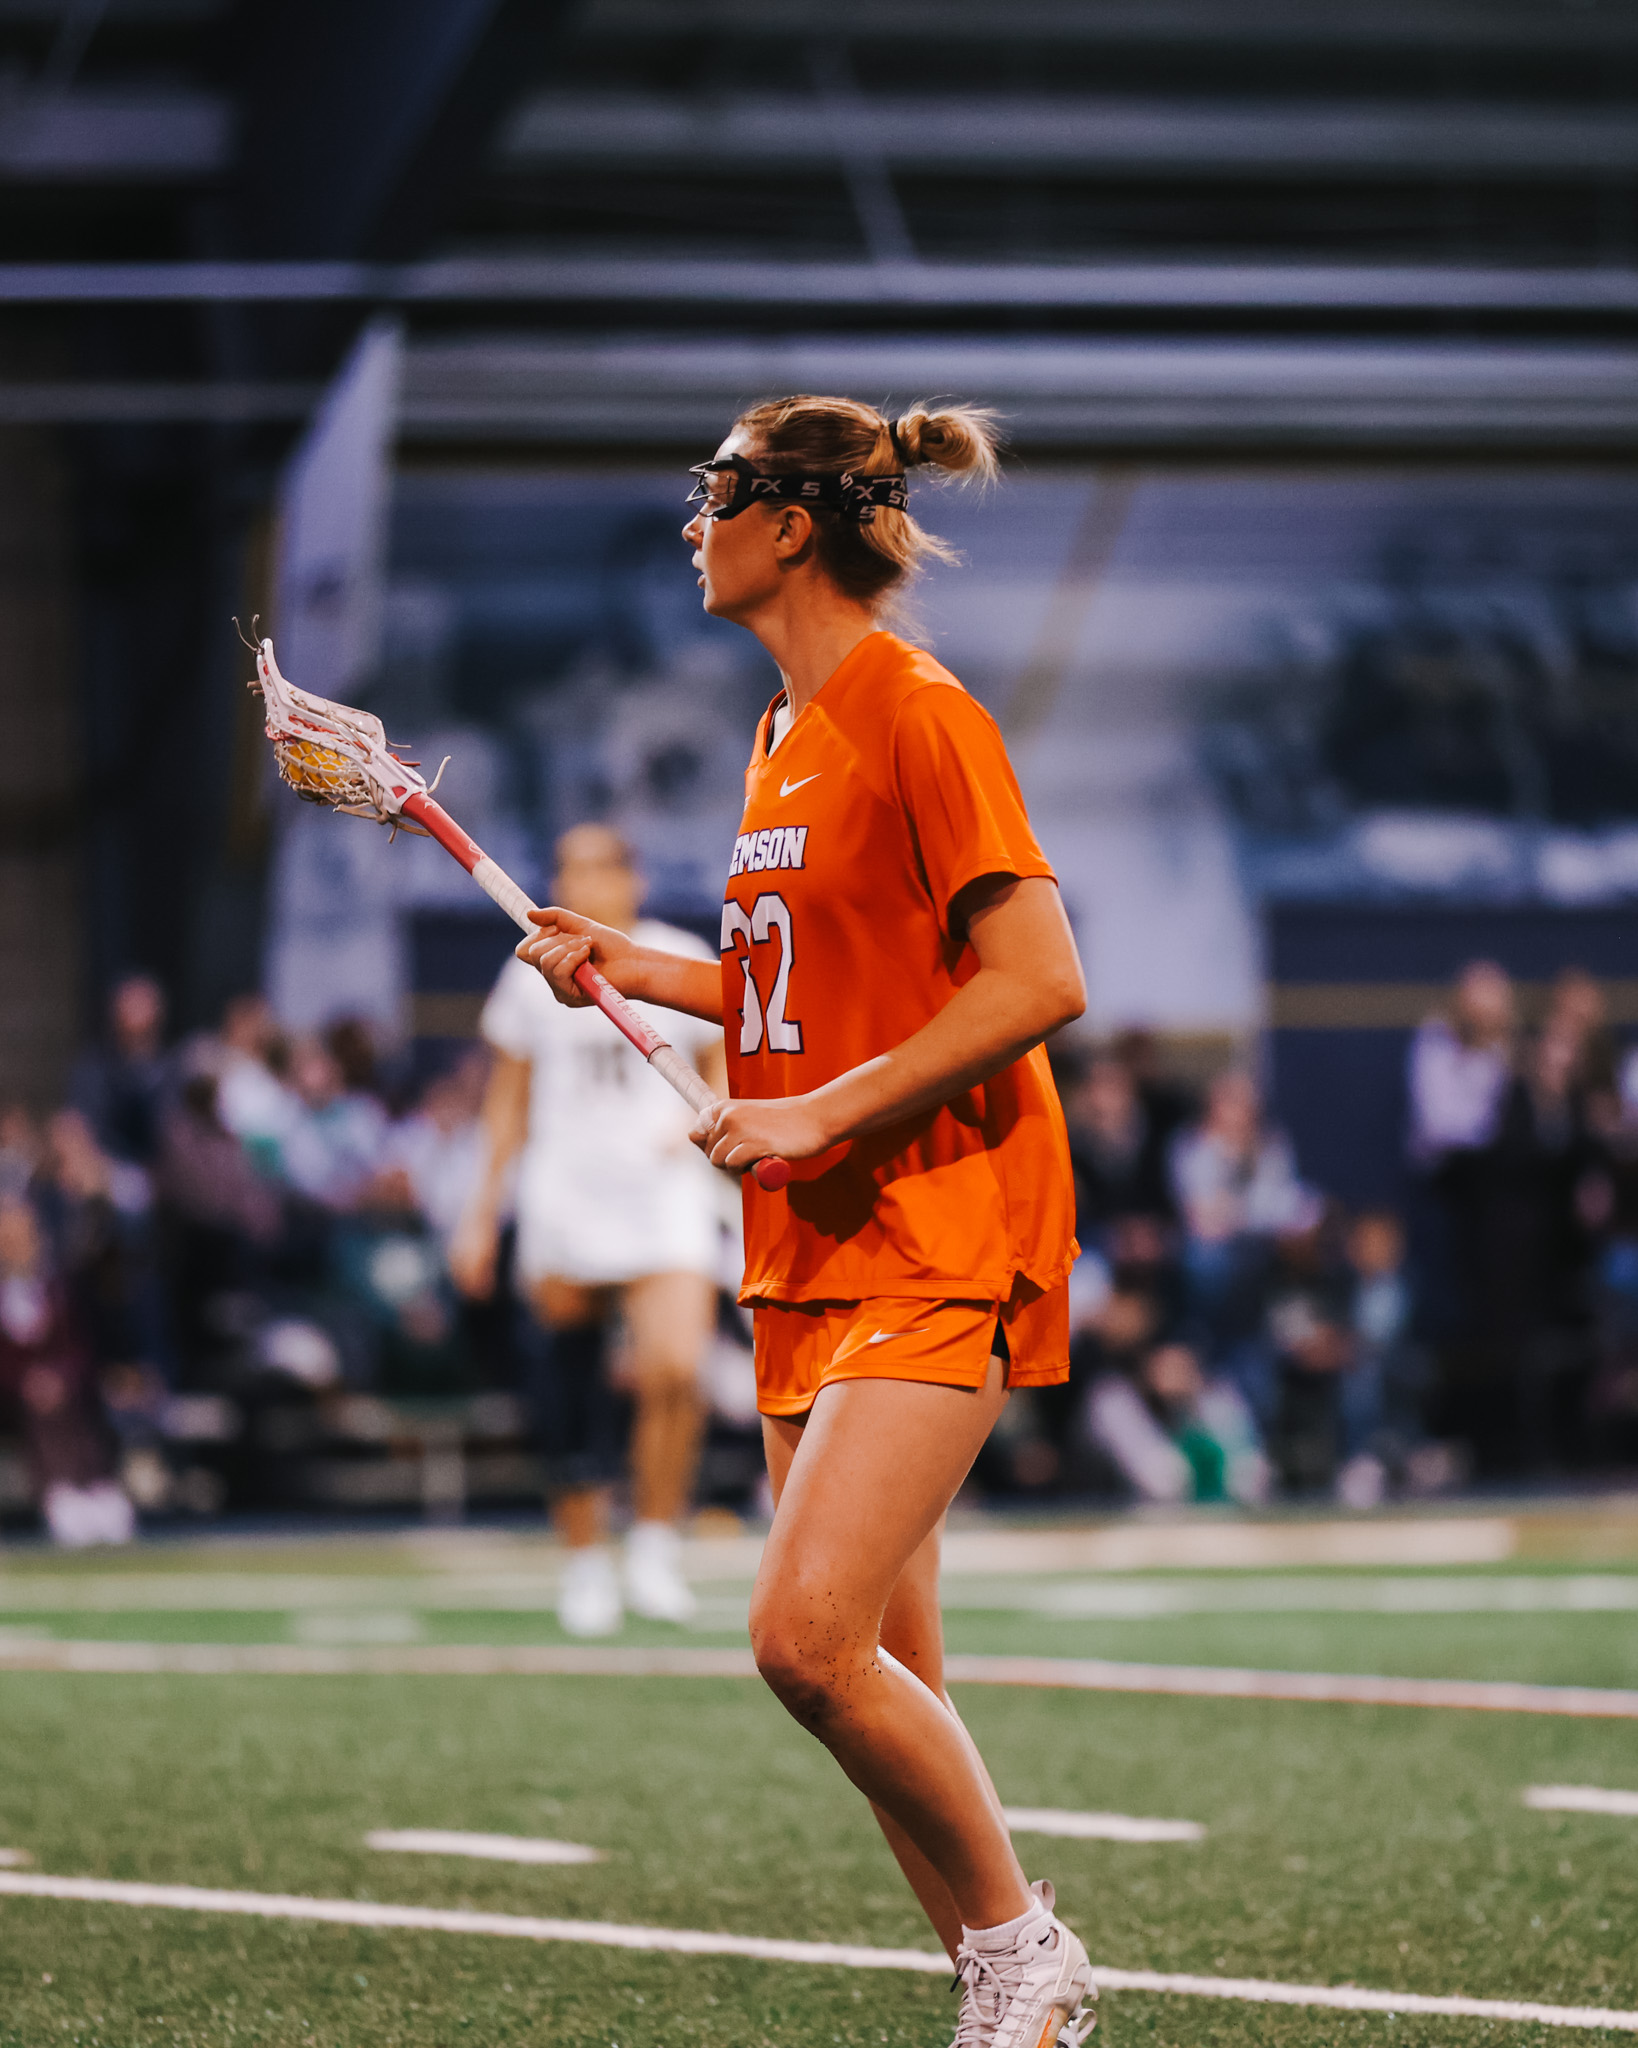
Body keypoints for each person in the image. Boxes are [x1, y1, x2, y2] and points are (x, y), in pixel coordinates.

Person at [518, 396, 1096, 2048]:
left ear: (787, 524)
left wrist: (819, 1112)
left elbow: (1037, 981)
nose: (688, 522)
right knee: (886, 1669)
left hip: (937, 1212)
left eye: (710, 493)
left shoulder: (919, 713)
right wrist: (638, 968)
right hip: (815, 1240)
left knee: (800, 1638)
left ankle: (1026, 1951)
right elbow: (805, 988)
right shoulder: (781, 731)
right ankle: (1005, 2002)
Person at [451, 825, 725, 1635]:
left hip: (662, 1188)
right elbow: (507, 1099)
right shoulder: (531, 967)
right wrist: (480, 1210)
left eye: (600, 867)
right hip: (567, 1191)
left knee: (676, 1369)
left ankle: (654, 1546)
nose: (585, 882)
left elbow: (724, 1063)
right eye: (569, 868)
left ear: (633, 878)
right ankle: (583, 1561)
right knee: (568, 1383)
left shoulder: (678, 956)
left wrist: (703, 1123)